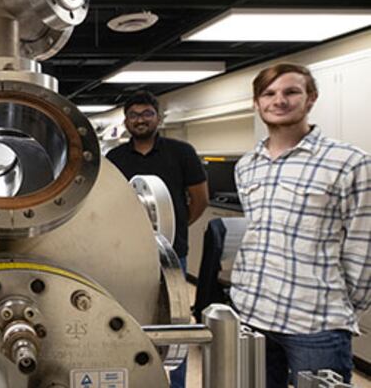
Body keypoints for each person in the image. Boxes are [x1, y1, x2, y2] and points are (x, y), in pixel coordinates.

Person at [232, 63, 370, 386]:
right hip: (253, 315)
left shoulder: (349, 162)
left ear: (311, 99)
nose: (279, 100)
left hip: (315, 324)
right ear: (257, 103)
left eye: (291, 92)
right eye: (269, 93)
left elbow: (364, 246)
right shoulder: (247, 166)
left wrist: (341, 305)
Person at [106, 91, 208, 388]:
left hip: (173, 254)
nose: (140, 120)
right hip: (127, 254)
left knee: (175, 323)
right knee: (128, 317)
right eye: (134, 115)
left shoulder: (182, 152)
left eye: (146, 114)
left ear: (158, 118)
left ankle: (175, 384)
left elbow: (199, 199)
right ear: (126, 121)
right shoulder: (116, 158)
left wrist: (172, 228)